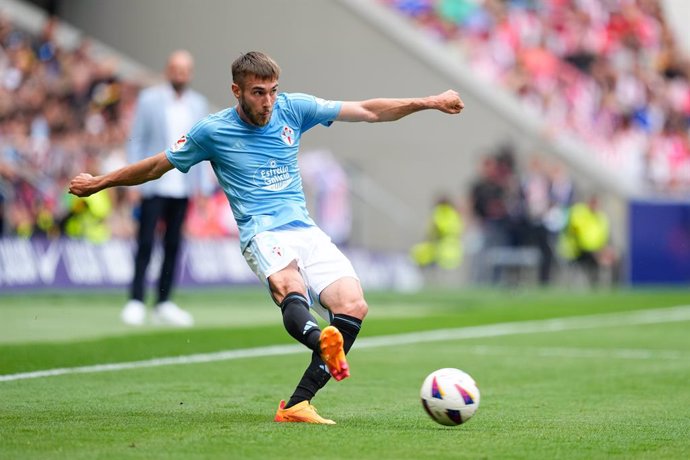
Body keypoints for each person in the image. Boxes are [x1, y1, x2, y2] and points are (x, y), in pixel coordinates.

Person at [69, 51, 464, 424]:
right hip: (261, 232)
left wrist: (427, 101)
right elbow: (157, 165)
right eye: (259, 92)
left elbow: (366, 110)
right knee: (291, 288)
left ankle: (298, 403)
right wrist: (100, 182)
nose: (269, 101)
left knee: (353, 305)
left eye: (273, 90)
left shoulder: (293, 108)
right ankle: (319, 340)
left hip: (305, 230)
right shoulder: (213, 130)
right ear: (237, 91)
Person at [121, 50, 210, 327]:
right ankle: (136, 300)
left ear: (190, 73)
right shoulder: (150, 100)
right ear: (167, 70)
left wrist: (202, 188)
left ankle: (163, 301)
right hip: (153, 182)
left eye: (185, 70)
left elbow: (204, 147)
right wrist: (133, 180)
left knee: (173, 245)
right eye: (175, 69)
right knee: (145, 242)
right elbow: (136, 139)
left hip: (182, 186)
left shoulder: (197, 104)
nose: (180, 74)